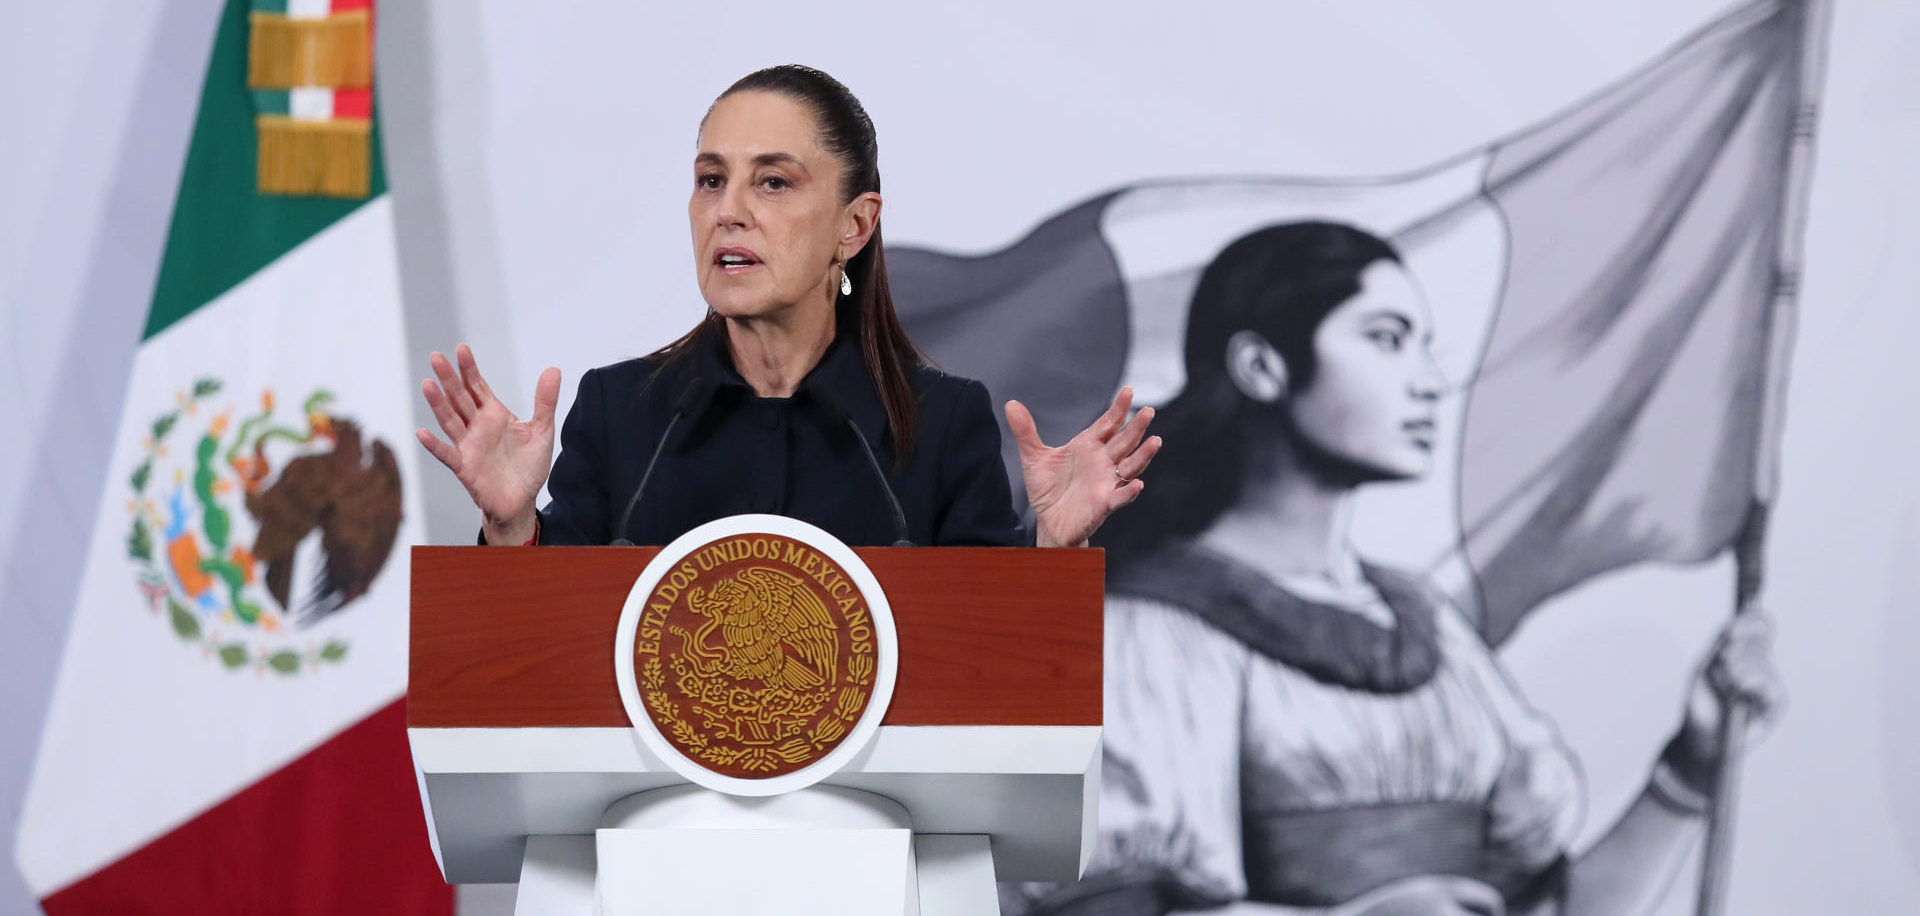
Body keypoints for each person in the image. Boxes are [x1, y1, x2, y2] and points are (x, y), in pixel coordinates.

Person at [1012, 221, 1782, 916]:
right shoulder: (1148, 632)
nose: (1428, 380)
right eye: (1386, 339)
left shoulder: (1431, 629)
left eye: (1423, 345)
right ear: (1261, 366)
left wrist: (1691, 767)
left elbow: (1551, 907)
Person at [416, 65, 1159, 549]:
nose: (728, 211)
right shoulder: (622, 411)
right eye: (711, 180)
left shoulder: (940, 422)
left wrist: (1052, 551)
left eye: (773, 182)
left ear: (854, 226)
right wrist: (511, 527)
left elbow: (990, 657)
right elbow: (545, 643)